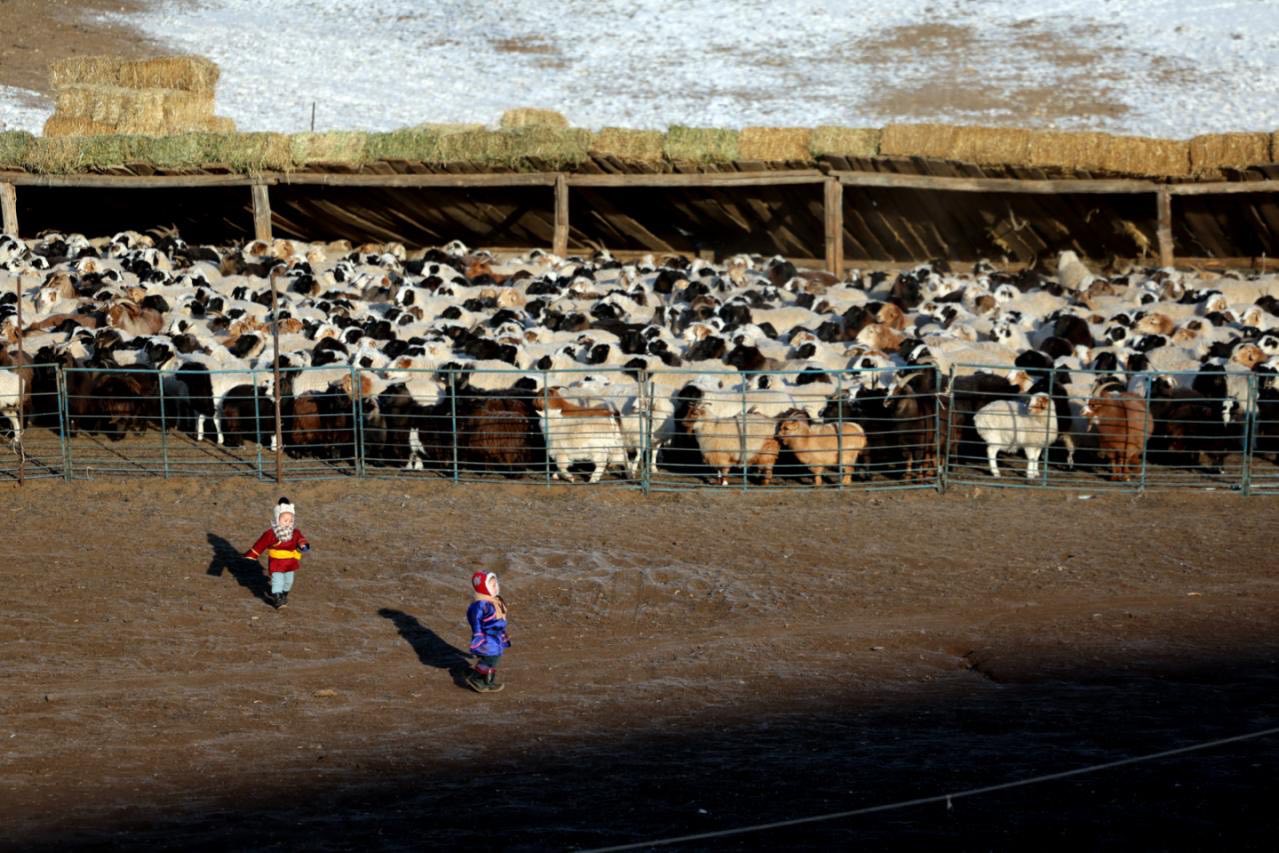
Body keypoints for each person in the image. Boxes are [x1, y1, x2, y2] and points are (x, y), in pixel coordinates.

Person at [244, 497, 310, 609]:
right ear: (277, 519)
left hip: (290, 562)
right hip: (277, 562)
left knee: (289, 581)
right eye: (285, 520)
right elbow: (261, 544)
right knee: (277, 580)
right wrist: (253, 554)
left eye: (290, 520)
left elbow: (301, 539)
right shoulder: (271, 533)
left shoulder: (295, 532)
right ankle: (278, 598)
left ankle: (284, 594)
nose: (288, 523)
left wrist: (303, 545)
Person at [466, 571, 511, 693]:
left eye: (496, 584)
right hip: (486, 636)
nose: (496, 587)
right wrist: (478, 635)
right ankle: (475, 678)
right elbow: (475, 621)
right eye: (492, 585)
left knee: (495, 657)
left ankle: (488, 682)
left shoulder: (494, 601)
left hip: (496, 635)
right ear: (483, 587)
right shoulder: (480, 605)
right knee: (490, 658)